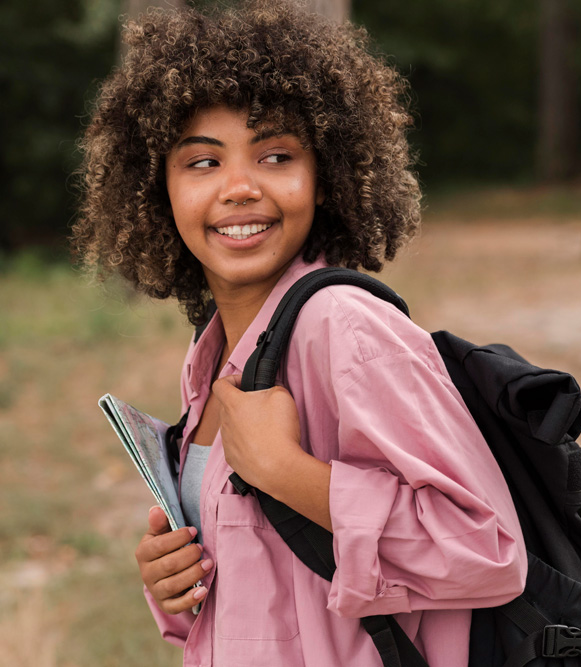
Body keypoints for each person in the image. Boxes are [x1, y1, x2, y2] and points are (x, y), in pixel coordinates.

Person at [71, 1, 527, 665]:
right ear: (156, 187)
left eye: (276, 155)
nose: (239, 188)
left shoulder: (347, 329)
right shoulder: (215, 355)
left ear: (325, 176)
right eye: (202, 162)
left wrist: (288, 473)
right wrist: (177, 581)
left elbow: (488, 549)